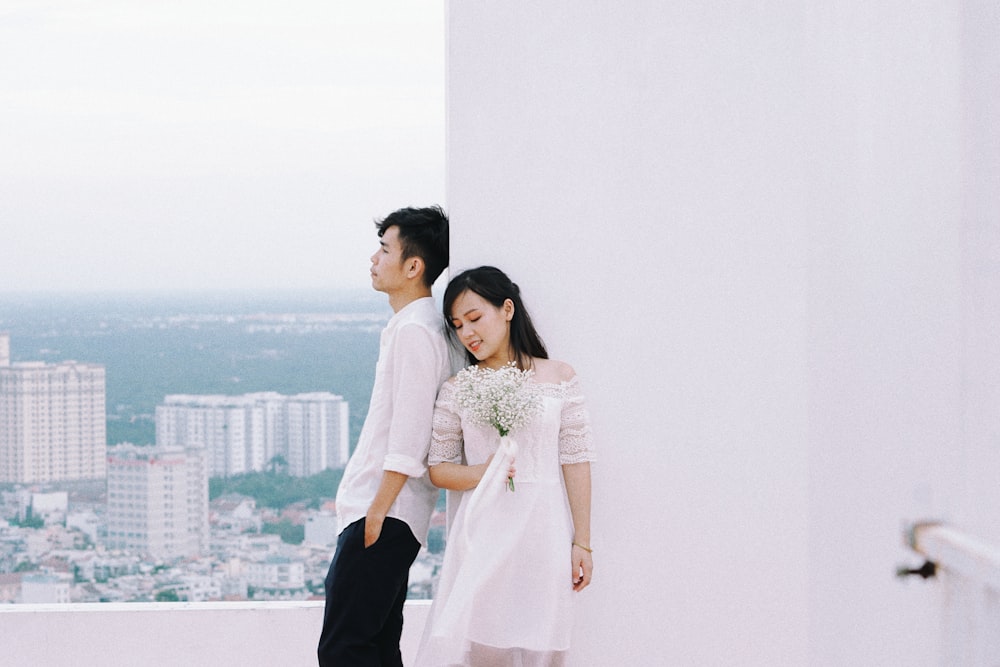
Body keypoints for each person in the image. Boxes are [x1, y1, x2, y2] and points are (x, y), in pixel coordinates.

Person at [414, 266, 596, 667]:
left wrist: (581, 541)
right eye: (457, 325)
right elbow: (438, 469)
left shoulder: (559, 376)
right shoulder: (458, 387)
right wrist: (485, 472)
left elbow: (576, 459)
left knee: (546, 645)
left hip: (545, 531)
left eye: (475, 319)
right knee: (484, 647)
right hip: (485, 532)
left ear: (507, 309)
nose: (467, 333)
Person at [318, 206, 451, 667]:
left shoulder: (415, 331)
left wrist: (375, 513)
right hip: (390, 515)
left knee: (345, 648)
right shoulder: (415, 327)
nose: (373, 259)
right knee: (374, 647)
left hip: (383, 514)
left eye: (384, 249)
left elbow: (409, 434)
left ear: (413, 266)